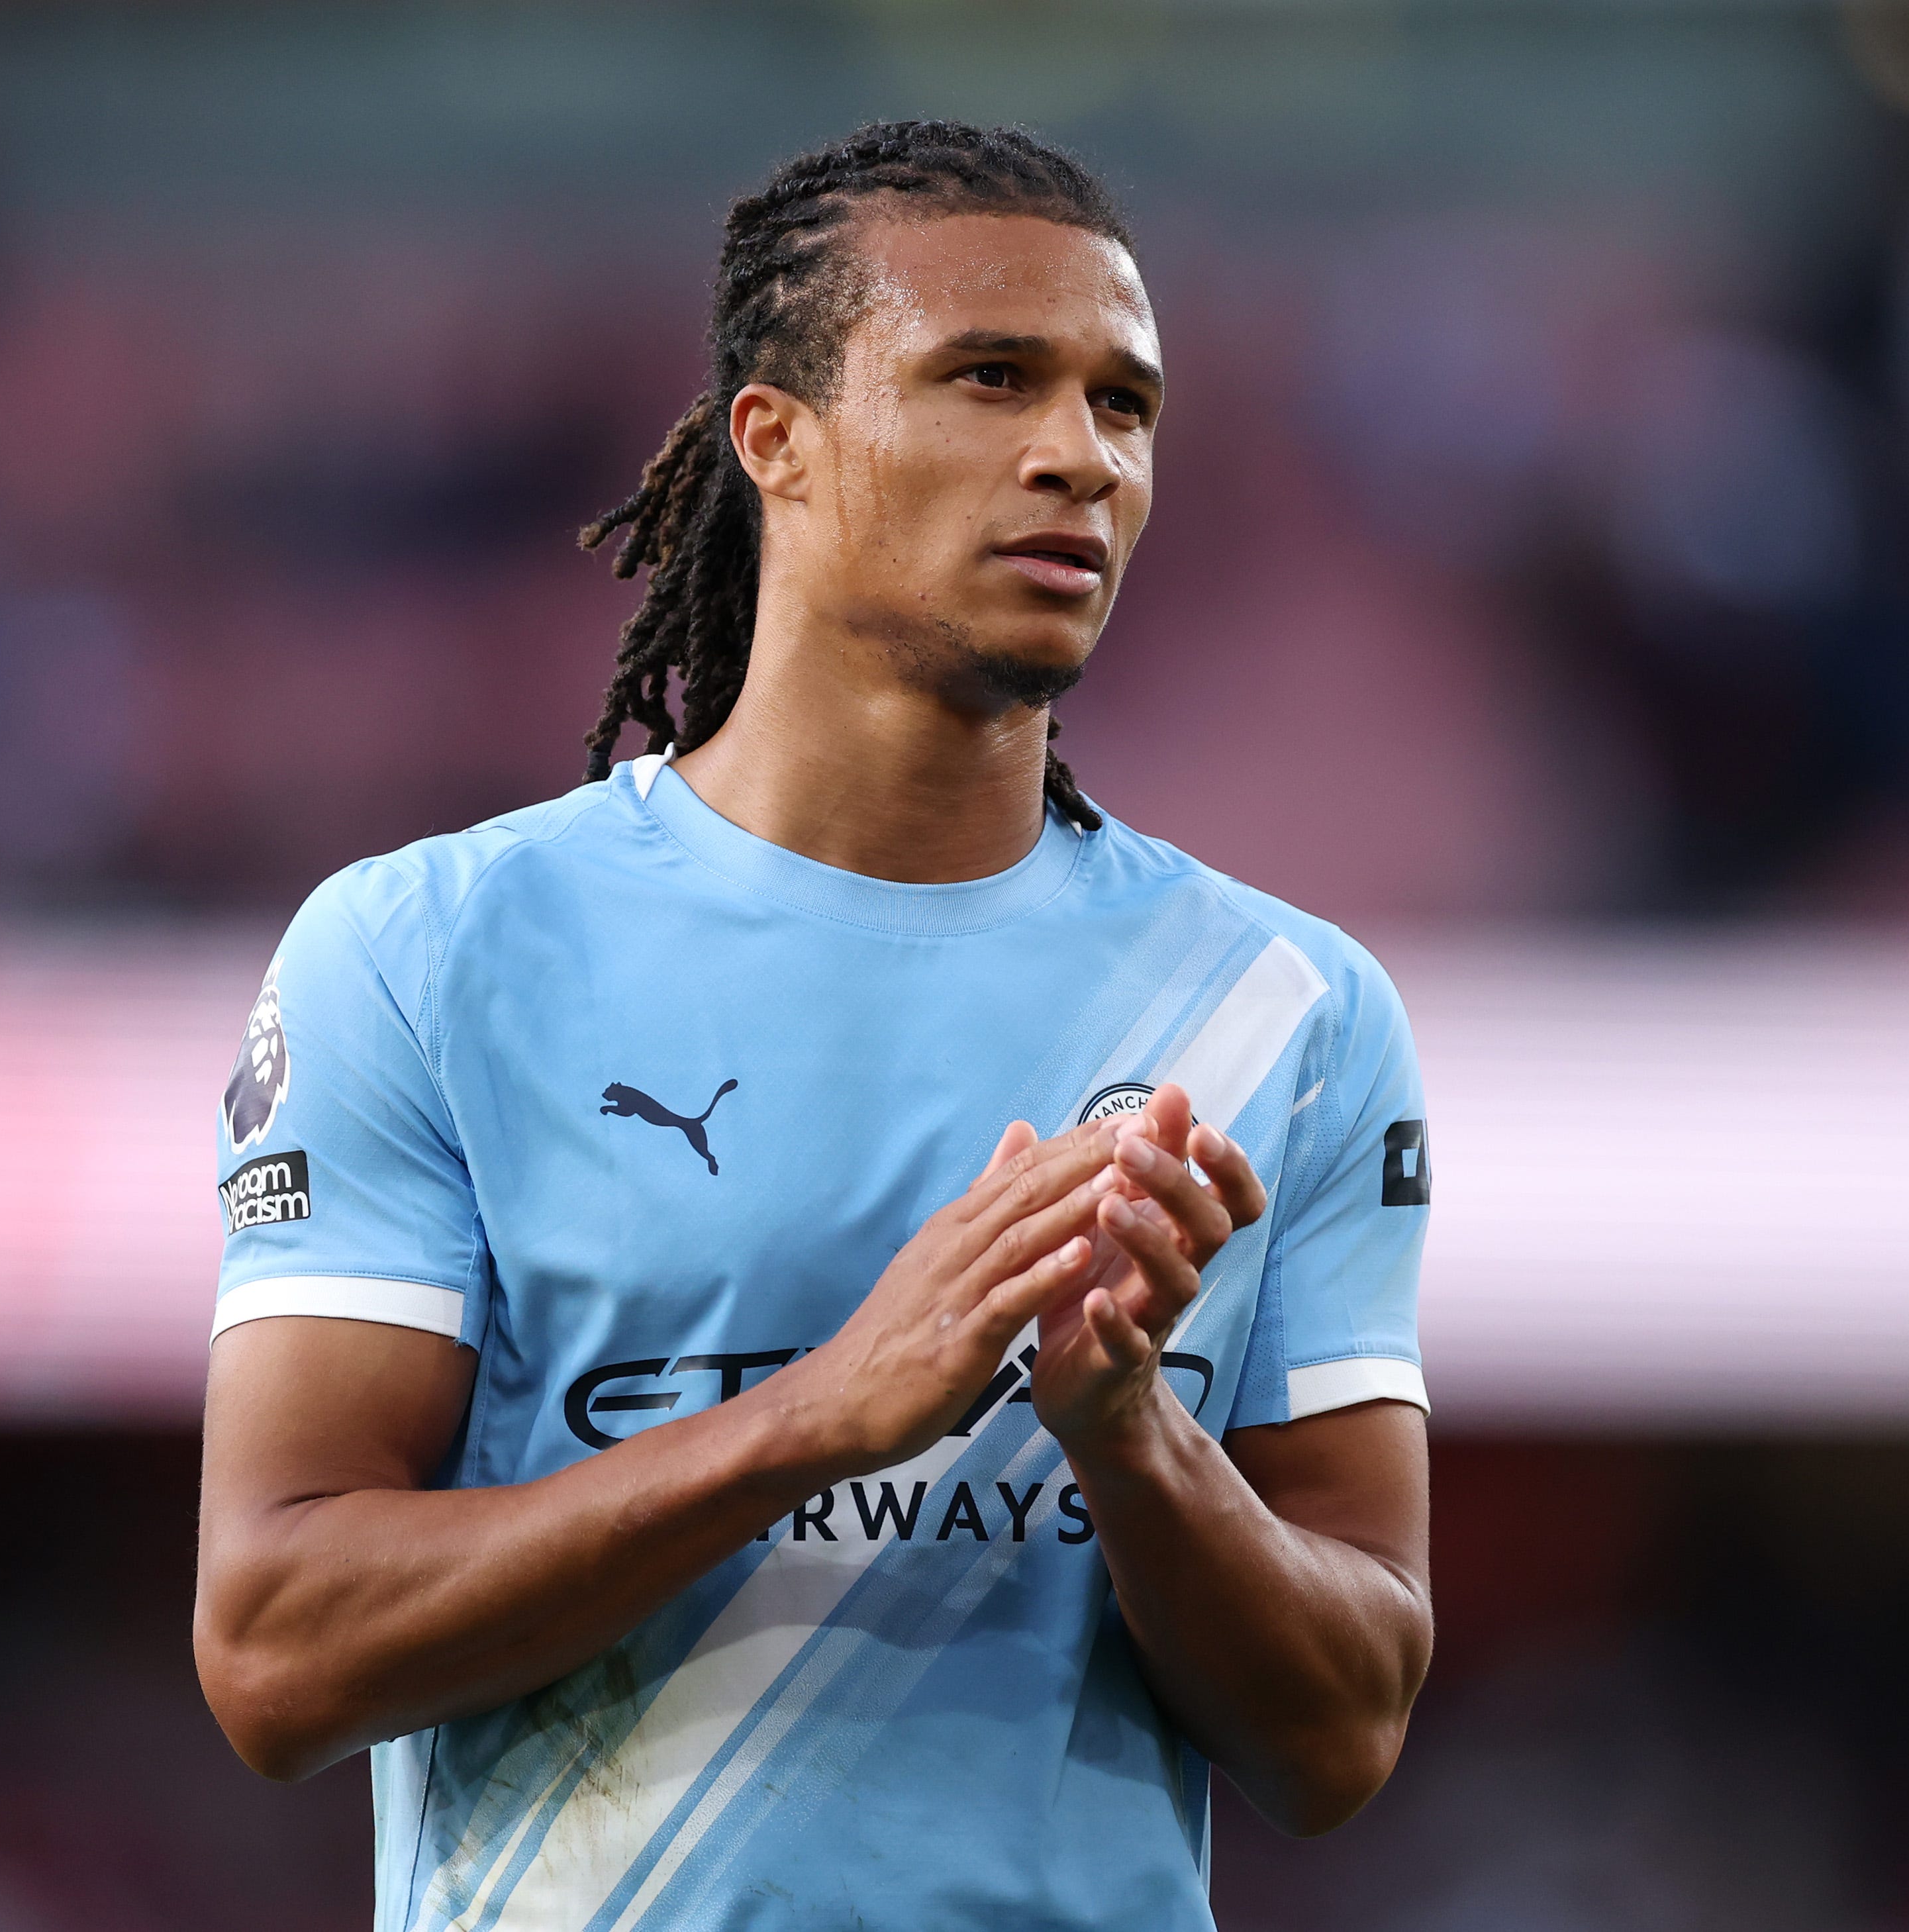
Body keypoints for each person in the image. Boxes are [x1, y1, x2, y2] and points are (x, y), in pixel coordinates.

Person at [195, 121, 1434, 1932]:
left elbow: (1340, 1739)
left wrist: (1126, 1434)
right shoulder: (426, 954)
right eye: (990, 377)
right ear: (772, 438)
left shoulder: (1282, 1014)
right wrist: (819, 1416)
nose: (1078, 456)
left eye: (1124, 404)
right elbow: (275, 1656)